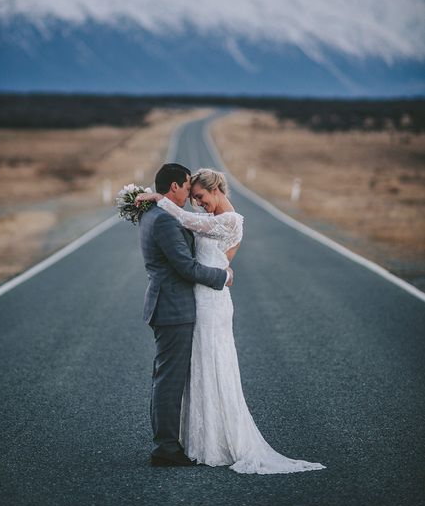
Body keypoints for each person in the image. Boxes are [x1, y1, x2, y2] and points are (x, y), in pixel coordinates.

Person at [137, 167, 326, 474]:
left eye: (200, 196)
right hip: (191, 300)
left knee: (211, 366)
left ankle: (211, 440)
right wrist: (223, 275)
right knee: (193, 371)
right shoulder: (195, 218)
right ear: (176, 187)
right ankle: (192, 440)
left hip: (210, 303)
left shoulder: (229, 220)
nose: (196, 202)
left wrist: (159, 199)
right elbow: (187, 236)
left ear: (216, 190)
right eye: (191, 195)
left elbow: (186, 221)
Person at [138, 163, 233, 467]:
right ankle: (165, 448)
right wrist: (224, 277)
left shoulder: (156, 214)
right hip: (173, 308)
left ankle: (169, 442)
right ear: (175, 186)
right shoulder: (164, 221)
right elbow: (186, 268)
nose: (190, 194)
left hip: (168, 304)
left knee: (166, 376)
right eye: (187, 185)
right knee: (169, 380)